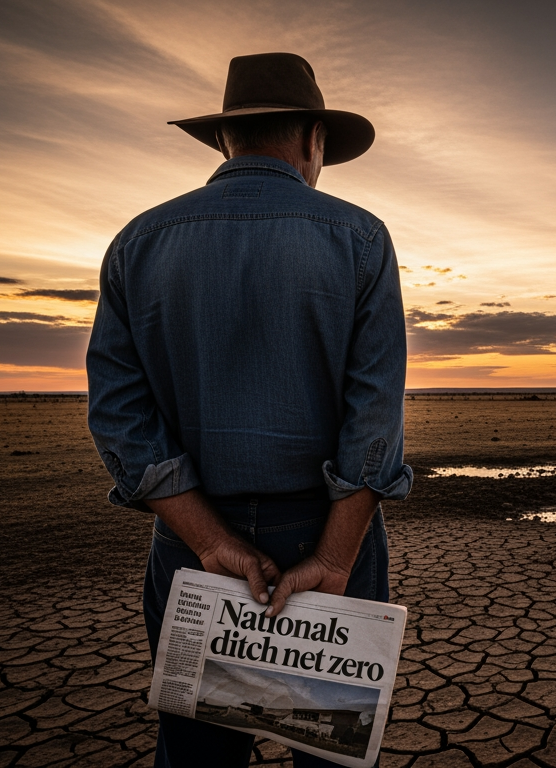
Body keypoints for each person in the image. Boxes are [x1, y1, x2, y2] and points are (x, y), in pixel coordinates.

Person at [86, 52, 410, 767]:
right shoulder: (359, 237)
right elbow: (374, 420)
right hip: (328, 534)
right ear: (315, 138)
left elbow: (118, 414)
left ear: (223, 140)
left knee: (199, 755)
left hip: (193, 546)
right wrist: (333, 556)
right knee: (331, 754)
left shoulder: (138, 243)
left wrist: (207, 541)